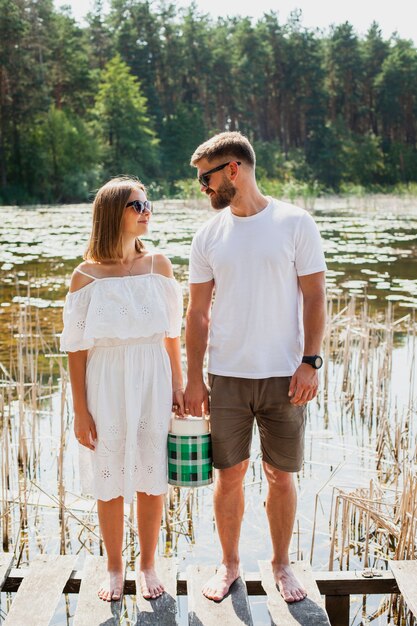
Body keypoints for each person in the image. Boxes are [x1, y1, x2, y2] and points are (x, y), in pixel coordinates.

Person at [184, 132, 327, 603]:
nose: (202, 187)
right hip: (227, 377)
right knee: (228, 476)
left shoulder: (295, 222)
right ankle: (229, 565)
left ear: (232, 169)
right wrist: (193, 377)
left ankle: (281, 564)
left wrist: (309, 362)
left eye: (205, 177)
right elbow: (198, 313)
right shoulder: (208, 235)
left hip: (285, 376)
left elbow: (314, 297)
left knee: (281, 475)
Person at [60, 177, 184, 602]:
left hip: (153, 374)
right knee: (108, 473)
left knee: (152, 472)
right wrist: (80, 411)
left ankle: (147, 564)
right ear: (114, 213)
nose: (147, 210)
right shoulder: (85, 276)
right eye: (137, 204)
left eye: (148, 202)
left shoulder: (160, 266)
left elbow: (172, 335)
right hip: (106, 380)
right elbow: (76, 349)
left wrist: (179, 384)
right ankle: (115, 568)